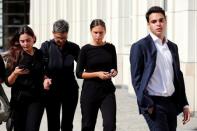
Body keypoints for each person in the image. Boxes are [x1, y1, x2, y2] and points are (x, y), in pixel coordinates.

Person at [130, 6, 190, 131]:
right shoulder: (140, 47)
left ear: (165, 21)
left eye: (161, 20)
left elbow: (178, 76)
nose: (158, 24)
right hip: (153, 103)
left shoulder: (173, 47)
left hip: (171, 102)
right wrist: (147, 104)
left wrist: (184, 104)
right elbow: (136, 80)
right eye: (154, 21)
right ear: (148, 24)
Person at [76, 19, 118, 131]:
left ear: (105, 32)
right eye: (95, 32)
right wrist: (97, 74)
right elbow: (79, 73)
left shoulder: (110, 48)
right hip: (90, 92)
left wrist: (114, 71)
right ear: (91, 31)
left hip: (107, 92)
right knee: (87, 126)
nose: (98, 35)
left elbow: (114, 67)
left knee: (110, 126)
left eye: (101, 32)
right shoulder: (85, 50)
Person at [41, 19, 80, 131]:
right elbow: (39, 68)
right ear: (53, 33)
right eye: (58, 38)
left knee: (67, 123)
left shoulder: (74, 48)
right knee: (53, 123)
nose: (61, 40)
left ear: (67, 33)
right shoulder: (46, 47)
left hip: (70, 90)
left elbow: (85, 64)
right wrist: (44, 78)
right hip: (52, 90)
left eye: (64, 37)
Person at [4, 25, 44, 131]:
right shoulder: (14, 56)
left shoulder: (40, 54)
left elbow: (43, 73)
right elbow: (8, 82)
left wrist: (46, 79)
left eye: (28, 40)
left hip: (37, 99)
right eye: (22, 41)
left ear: (34, 38)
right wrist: (15, 73)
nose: (25, 44)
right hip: (19, 100)